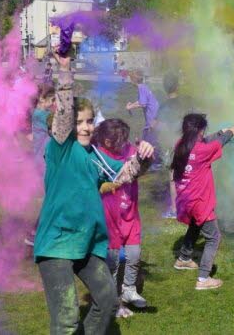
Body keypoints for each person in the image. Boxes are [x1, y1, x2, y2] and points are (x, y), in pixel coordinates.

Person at [33, 53, 154, 335]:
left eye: (89, 121)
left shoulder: (95, 155)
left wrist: (144, 158)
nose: (86, 127)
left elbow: (126, 173)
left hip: (87, 244)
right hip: (57, 245)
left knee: (108, 301)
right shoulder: (60, 148)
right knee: (66, 320)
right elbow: (63, 117)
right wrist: (65, 71)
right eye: (80, 122)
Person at [172, 113, 234, 290]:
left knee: (195, 225)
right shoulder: (203, 151)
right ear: (200, 131)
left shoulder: (181, 145)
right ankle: (203, 279)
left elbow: (206, 140)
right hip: (200, 201)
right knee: (214, 237)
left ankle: (184, 258)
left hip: (186, 199)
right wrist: (231, 132)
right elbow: (218, 143)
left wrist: (220, 131)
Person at [93, 119, 151, 318]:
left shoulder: (128, 149)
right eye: (121, 139)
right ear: (107, 141)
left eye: (126, 138)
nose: (125, 143)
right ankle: (114, 302)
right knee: (113, 262)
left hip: (130, 213)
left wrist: (146, 153)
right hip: (109, 217)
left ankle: (129, 289)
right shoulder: (98, 155)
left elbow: (140, 165)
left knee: (134, 254)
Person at [156, 72, 194, 218]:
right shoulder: (186, 102)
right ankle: (192, 206)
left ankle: (174, 209)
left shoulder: (164, 106)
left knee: (173, 178)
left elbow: (159, 126)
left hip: (172, 145)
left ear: (165, 88)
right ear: (177, 86)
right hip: (188, 143)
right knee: (189, 175)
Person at [25, 83, 56, 247]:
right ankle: (37, 232)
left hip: (42, 160)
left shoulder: (39, 113)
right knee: (52, 197)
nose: (53, 103)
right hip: (43, 162)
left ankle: (35, 231)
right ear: (42, 99)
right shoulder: (41, 115)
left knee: (51, 197)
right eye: (52, 100)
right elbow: (57, 129)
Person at [126, 69, 160, 145]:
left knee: (146, 141)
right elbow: (141, 101)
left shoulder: (141, 87)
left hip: (152, 120)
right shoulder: (144, 87)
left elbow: (143, 104)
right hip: (155, 117)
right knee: (150, 139)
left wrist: (130, 107)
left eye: (130, 79)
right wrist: (131, 105)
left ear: (133, 80)